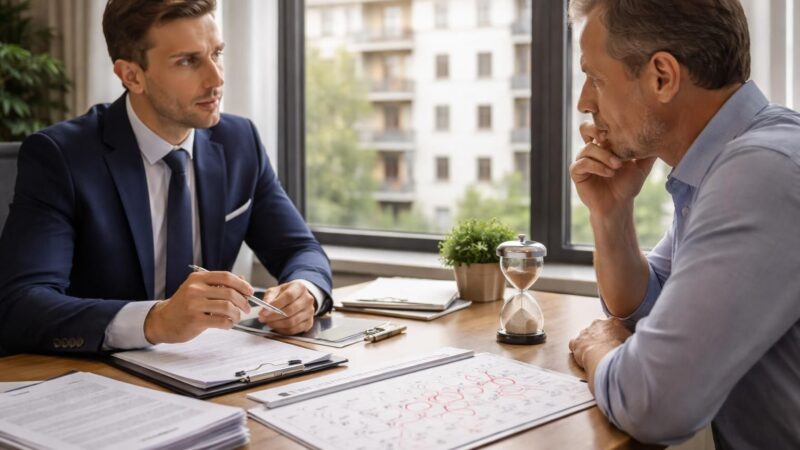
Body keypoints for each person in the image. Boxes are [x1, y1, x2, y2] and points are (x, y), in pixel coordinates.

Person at [0, 0, 332, 355]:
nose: (216, 79)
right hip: (97, 371)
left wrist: (306, 291)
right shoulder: (61, 156)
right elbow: (21, 304)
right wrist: (154, 321)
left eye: (217, 54)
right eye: (188, 61)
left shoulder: (239, 142)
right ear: (132, 76)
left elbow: (300, 249)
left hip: (206, 368)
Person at [566, 0, 800, 448]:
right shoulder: (726, 162)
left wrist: (598, 348)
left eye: (596, 78)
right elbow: (650, 308)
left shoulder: (761, 173)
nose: (584, 102)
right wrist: (611, 213)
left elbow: (655, 404)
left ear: (662, 77)